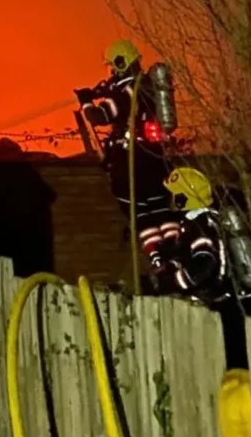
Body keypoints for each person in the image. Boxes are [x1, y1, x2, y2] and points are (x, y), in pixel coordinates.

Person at [75, 40, 179, 290]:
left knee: (139, 214)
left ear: (121, 63)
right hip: (155, 159)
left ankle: (157, 260)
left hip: (133, 161)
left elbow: (100, 117)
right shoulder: (147, 86)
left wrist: (87, 101)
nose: (112, 72)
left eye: (113, 67)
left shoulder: (128, 91)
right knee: (161, 211)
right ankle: (173, 255)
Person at [163, 167, 228, 302]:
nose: (171, 199)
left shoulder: (200, 225)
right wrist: (171, 266)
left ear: (182, 199)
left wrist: (173, 282)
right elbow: (188, 254)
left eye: (173, 195)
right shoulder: (200, 220)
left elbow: (205, 264)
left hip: (211, 300)